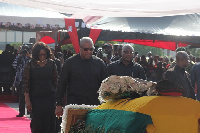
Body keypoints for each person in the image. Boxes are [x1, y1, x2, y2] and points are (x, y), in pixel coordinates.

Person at [55, 37, 107, 118]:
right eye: (86, 49)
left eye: (91, 49)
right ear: (80, 48)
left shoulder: (99, 63)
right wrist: (59, 104)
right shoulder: (70, 63)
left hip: (94, 106)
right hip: (74, 106)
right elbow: (62, 83)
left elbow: (105, 85)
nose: (89, 52)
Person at [23, 42, 58, 133]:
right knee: (37, 122)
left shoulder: (51, 63)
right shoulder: (30, 64)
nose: (42, 56)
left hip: (50, 97)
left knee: (50, 122)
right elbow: (26, 84)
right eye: (40, 55)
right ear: (36, 54)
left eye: (44, 54)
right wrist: (27, 101)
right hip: (36, 98)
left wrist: (59, 99)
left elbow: (56, 82)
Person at [13, 46, 31, 117]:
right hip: (29, 79)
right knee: (29, 95)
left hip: (21, 79)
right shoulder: (30, 59)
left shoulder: (19, 58)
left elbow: (14, 65)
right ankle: (30, 111)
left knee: (21, 96)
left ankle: (21, 112)